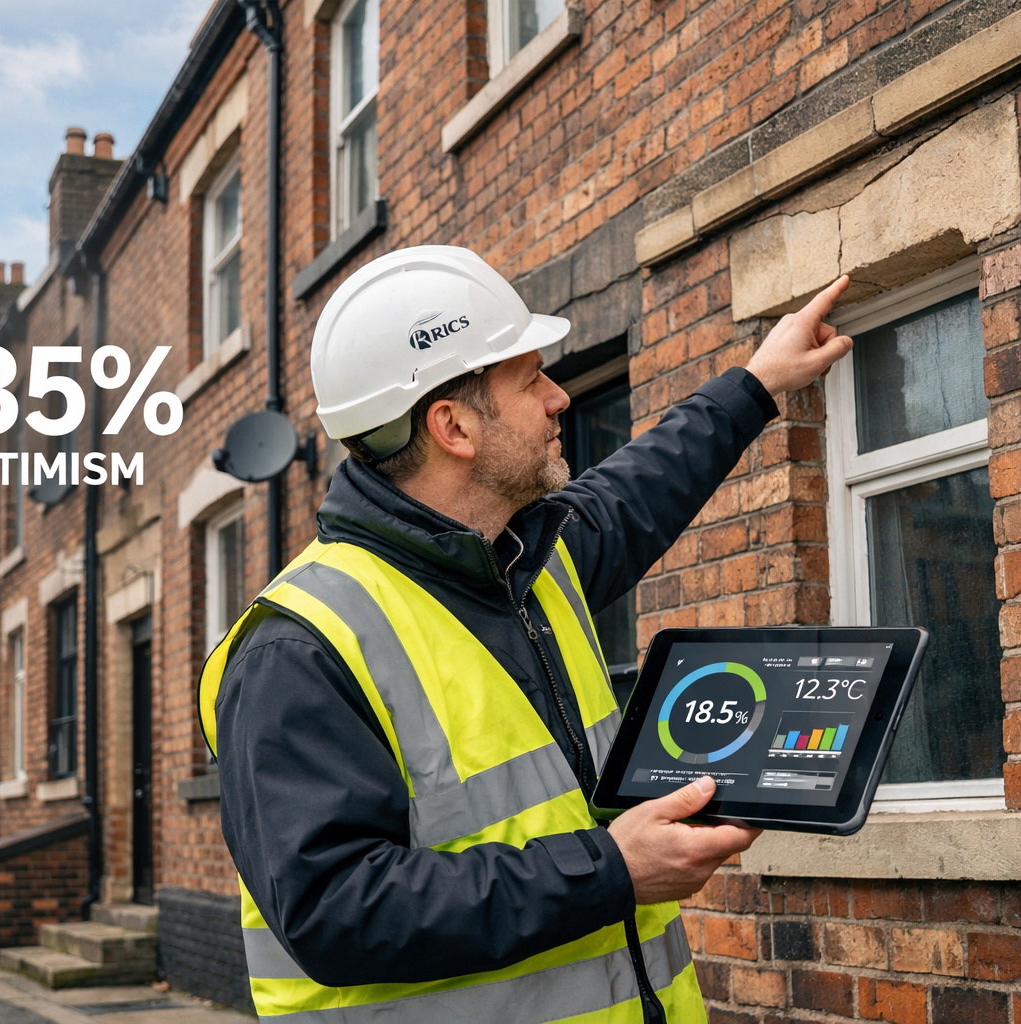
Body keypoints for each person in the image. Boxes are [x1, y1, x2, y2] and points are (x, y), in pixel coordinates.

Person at [200, 246, 854, 1022]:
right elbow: (335, 908)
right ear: (453, 427)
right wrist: (609, 869)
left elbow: (641, 484)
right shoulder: (297, 648)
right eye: (530, 378)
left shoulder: (528, 562)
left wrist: (758, 384)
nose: (559, 398)